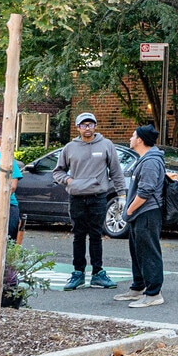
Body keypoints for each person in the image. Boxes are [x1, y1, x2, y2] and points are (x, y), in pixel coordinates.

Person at [54, 112, 125, 289]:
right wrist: (68, 180)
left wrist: (121, 194)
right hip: (77, 197)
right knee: (78, 235)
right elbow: (58, 171)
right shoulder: (70, 147)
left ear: (95, 126)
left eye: (90, 125)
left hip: (97, 196)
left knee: (96, 235)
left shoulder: (106, 145)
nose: (87, 128)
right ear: (78, 128)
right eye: (84, 125)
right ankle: (78, 273)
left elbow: (116, 171)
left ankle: (98, 273)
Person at [116, 125, 166, 309]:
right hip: (140, 213)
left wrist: (129, 211)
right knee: (137, 251)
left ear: (140, 140)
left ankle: (153, 293)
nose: (130, 138)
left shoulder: (151, 161)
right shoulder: (145, 159)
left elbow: (146, 191)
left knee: (149, 252)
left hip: (147, 212)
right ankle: (138, 287)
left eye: (133, 135)